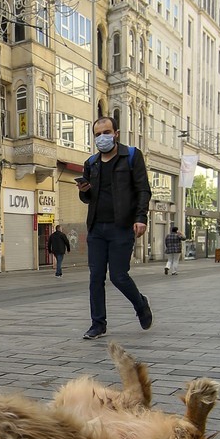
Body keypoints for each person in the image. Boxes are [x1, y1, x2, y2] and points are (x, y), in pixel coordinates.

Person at [76, 116, 152, 339]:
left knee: (119, 276)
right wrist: (84, 190)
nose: (102, 138)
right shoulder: (91, 163)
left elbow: (143, 190)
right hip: (96, 228)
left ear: (116, 133)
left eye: (106, 132)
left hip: (122, 226)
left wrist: (141, 218)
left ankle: (141, 305)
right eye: (97, 134)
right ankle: (98, 324)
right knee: (95, 277)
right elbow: (89, 198)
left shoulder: (130, 156)